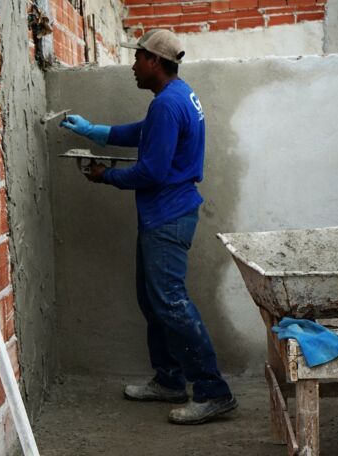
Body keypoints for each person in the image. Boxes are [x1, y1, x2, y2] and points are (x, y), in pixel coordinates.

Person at [60, 29, 236, 425]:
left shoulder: (167, 104)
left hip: (168, 217)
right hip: (166, 213)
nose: (133, 65)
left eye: (138, 57)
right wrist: (93, 131)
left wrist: (105, 176)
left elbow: (152, 171)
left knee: (170, 302)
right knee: (153, 300)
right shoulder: (176, 96)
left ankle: (213, 391)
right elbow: (143, 132)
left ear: (155, 61)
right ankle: (169, 380)